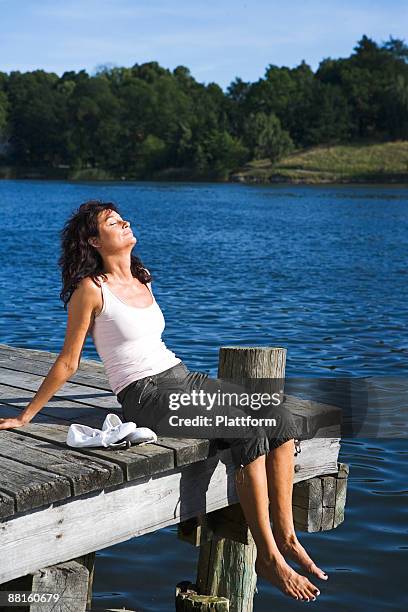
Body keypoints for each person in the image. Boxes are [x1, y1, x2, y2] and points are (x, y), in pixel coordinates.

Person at [0, 200, 327, 602]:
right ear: (93, 240)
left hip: (182, 376)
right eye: (113, 223)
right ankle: (269, 555)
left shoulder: (143, 276)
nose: (125, 224)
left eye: (123, 219)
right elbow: (68, 362)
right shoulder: (91, 290)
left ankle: (288, 536)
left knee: (278, 413)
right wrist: (26, 415)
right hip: (147, 396)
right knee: (249, 429)